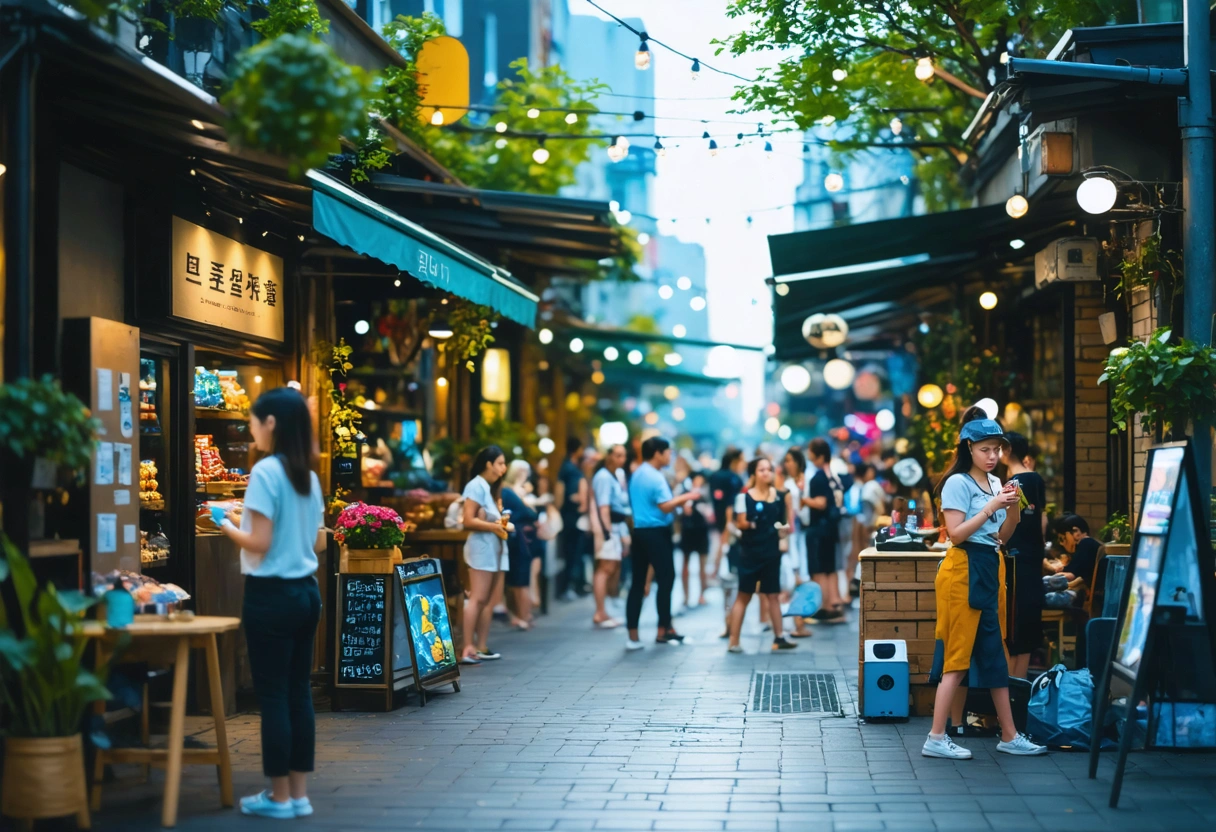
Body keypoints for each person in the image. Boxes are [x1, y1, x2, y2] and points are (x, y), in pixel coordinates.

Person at [215, 388, 324, 819]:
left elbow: (258, 542)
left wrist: (224, 524)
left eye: (253, 421)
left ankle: (278, 798)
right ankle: (298, 794)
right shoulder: (308, 476)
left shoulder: (264, 472)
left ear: (272, 423)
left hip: (271, 595)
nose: (251, 430)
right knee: (299, 692)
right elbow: (316, 540)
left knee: (274, 695)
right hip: (306, 592)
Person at [923, 408, 1047, 759]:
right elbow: (956, 535)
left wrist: (1013, 510)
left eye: (997, 449)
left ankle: (1009, 735)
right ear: (969, 448)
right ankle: (936, 736)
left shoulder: (996, 482)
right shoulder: (957, 483)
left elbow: (1001, 537)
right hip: (963, 570)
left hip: (990, 567)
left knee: (995, 657)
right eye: (985, 449)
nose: (992, 456)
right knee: (957, 657)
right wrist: (992, 505)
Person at [625, 437, 701, 651]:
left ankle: (633, 636)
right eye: (668, 452)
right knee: (666, 579)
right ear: (657, 453)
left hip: (639, 531)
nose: (670, 456)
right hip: (656, 532)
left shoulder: (638, 474)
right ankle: (663, 629)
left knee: (637, 582)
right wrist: (687, 497)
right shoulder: (654, 476)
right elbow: (665, 506)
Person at [727, 457, 798, 653]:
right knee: (744, 595)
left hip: (771, 552)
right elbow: (741, 522)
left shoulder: (778, 496)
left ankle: (779, 637)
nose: (767, 473)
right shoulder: (744, 497)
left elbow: (783, 522)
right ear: (754, 474)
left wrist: (782, 531)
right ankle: (733, 641)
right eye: (761, 470)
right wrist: (753, 524)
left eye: (769, 469)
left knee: (773, 595)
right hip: (749, 553)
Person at [459, 446, 510, 665]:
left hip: (492, 548)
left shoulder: (488, 488)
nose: (504, 468)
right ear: (488, 464)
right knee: (477, 598)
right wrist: (495, 526)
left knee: (486, 600)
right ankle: (467, 647)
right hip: (481, 548)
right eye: (500, 463)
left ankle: (480, 646)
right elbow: (468, 520)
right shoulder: (476, 485)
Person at [1003, 432, 1047, 679]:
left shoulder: (1011, 485)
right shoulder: (1036, 479)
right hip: (1033, 557)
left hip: (1015, 559)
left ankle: (1011, 686)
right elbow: (1043, 520)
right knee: (1028, 624)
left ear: (1007, 450)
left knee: (1014, 625)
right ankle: (1020, 687)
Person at [802, 438, 846, 623]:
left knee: (820, 569)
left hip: (819, 529)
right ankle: (833, 603)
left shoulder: (818, 478)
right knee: (830, 567)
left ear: (819, 456)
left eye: (811, 452)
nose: (809, 455)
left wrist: (804, 500)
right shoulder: (833, 476)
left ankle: (825, 606)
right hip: (832, 528)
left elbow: (821, 503)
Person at [591, 444, 630, 629]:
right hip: (608, 529)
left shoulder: (613, 476)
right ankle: (600, 612)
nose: (621, 459)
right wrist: (607, 532)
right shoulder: (604, 477)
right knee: (605, 569)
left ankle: (603, 611)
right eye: (617, 455)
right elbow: (603, 507)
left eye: (623, 455)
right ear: (609, 456)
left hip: (615, 527)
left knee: (611, 568)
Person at [501, 460, 540, 631]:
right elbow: (528, 513)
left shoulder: (515, 491)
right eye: (521, 471)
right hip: (517, 540)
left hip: (521, 540)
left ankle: (523, 615)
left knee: (519, 579)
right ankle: (523, 615)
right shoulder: (508, 492)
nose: (524, 474)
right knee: (519, 579)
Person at [782, 448, 813, 638]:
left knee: (801, 577)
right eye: (785, 461)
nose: (787, 464)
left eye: (790, 460)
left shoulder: (807, 480)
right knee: (794, 578)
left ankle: (799, 622)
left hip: (805, 532)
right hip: (792, 534)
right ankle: (797, 623)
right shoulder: (786, 484)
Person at [556, 437, 589, 600]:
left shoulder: (571, 467)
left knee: (576, 551)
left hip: (573, 515)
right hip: (570, 516)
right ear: (577, 450)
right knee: (571, 551)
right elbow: (562, 492)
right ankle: (568, 586)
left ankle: (576, 584)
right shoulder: (569, 468)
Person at [709, 448, 746, 580]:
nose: (744, 463)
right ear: (734, 461)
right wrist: (729, 522)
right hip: (732, 520)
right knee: (726, 545)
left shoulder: (715, 476)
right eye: (742, 460)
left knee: (722, 544)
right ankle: (721, 572)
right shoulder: (733, 478)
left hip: (719, 516)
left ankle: (716, 572)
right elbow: (731, 503)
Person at [678, 469, 712, 609]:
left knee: (702, 566)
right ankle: (686, 597)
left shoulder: (705, 494)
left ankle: (701, 595)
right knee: (685, 564)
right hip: (687, 531)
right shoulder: (685, 493)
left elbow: (711, 512)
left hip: (701, 531)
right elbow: (680, 510)